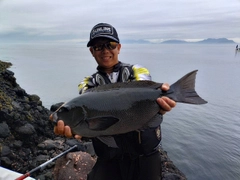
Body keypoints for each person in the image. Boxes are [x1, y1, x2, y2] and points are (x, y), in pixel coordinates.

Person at [53, 23, 176, 180]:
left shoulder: (138, 71)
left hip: (144, 156)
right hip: (109, 158)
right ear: (92, 51)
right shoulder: (87, 84)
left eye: (110, 45)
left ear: (118, 47)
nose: (105, 50)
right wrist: (71, 125)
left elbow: (144, 90)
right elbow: (86, 109)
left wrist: (162, 101)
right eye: (98, 47)